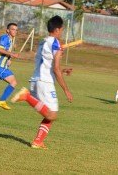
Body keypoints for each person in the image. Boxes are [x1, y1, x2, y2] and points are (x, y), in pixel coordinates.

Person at [11, 15, 73, 149]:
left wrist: (63, 71)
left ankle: (38, 141)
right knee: (52, 114)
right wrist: (66, 90)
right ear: (57, 29)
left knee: (50, 114)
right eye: (61, 29)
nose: (61, 32)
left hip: (35, 79)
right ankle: (26, 96)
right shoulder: (56, 43)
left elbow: (47, 64)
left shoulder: (43, 41)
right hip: (45, 82)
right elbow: (55, 68)